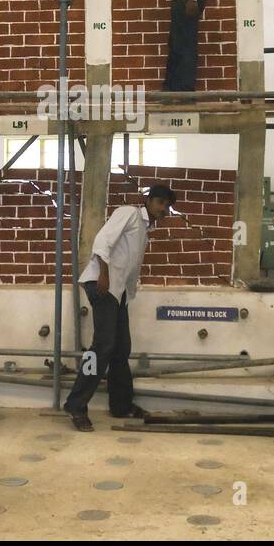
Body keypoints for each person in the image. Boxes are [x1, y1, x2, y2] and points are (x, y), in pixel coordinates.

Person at [63, 184, 177, 431]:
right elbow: (102, 241)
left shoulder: (144, 229)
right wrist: (103, 275)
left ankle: (121, 405)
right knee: (101, 347)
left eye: (167, 207)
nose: (164, 211)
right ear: (151, 201)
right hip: (102, 284)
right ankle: (76, 405)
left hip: (118, 292)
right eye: (162, 204)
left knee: (120, 348)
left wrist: (124, 291)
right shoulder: (129, 213)